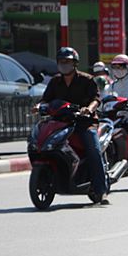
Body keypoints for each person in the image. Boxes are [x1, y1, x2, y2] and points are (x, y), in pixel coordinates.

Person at [34, 47, 109, 204]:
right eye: (61, 62)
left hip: (85, 123)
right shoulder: (55, 81)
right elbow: (46, 99)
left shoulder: (87, 80)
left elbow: (96, 99)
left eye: (67, 62)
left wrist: (89, 109)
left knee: (93, 150)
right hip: (61, 122)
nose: (63, 65)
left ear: (74, 64)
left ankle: (101, 189)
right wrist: (38, 106)